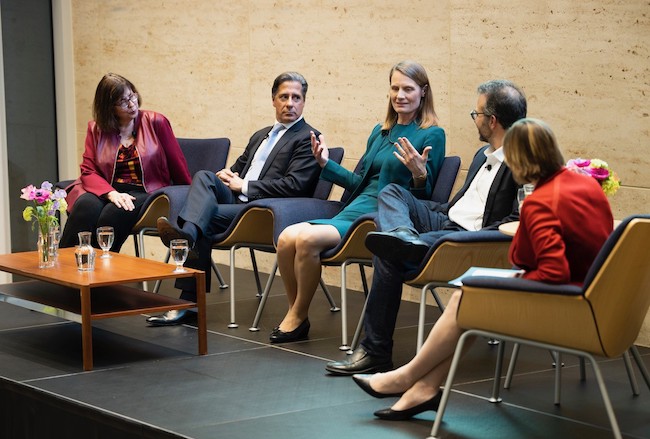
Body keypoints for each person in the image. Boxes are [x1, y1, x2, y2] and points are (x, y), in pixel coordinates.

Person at [351, 117, 614, 421]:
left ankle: (405, 377)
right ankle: (421, 389)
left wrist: (517, 259)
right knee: (470, 297)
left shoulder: (539, 201)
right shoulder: (582, 181)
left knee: (469, 295)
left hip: (568, 302)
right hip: (595, 293)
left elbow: (551, 270)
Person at [327, 79, 526, 375]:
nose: (476, 121)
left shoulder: (521, 162)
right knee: (392, 192)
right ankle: (405, 236)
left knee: (387, 251)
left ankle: (375, 351)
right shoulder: (480, 157)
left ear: (492, 121)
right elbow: (459, 204)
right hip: (446, 219)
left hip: (468, 238)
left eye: (477, 115)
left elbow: (517, 221)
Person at [270, 61, 446, 344]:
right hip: (355, 208)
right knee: (287, 237)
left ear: (423, 92)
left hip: (385, 216)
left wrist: (419, 173)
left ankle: (297, 316)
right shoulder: (380, 131)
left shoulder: (432, 134)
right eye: (395, 88)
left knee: (305, 240)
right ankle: (296, 314)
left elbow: (425, 202)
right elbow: (359, 183)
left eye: (408, 89)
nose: (400, 95)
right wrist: (325, 163)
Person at [148, 71, 321, 326]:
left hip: (263, 210)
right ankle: (189, 235)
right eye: (284, 96)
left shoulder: (308, 138)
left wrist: (246, 186)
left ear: (304, 102)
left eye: (296, 97)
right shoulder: (261, 134)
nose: (290, 103)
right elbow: (239, 168)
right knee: (206, 177)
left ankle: (188, 295)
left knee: (200, 218)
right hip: (238, 200)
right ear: (273, 99)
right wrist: (228, 175)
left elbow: (296, 185)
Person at [59, 73, 191, 251]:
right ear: (109, 107)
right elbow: (88, 171)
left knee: (113, 214)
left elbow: (177, 163)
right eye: (123, 101)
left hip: (147, 190)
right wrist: (110, 193)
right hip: (108, 189)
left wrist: (188, 197)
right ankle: (64, 267)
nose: (131, 104)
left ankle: (100, 271)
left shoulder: (156, 122)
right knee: (85, 206)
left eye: (132, 96)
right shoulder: (96, 129)